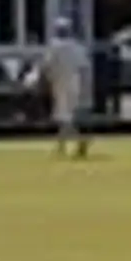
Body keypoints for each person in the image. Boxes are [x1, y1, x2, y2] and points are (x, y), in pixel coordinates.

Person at [39, 19, 93, 159]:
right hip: (75, 84)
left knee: (65, 117)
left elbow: (46, 65)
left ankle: (81, 140)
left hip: (61, 84)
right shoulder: (77, 47)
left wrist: (44, 80)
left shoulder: (54, 46)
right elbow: (85, 68)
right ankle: (61, 146)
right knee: (64, 116)